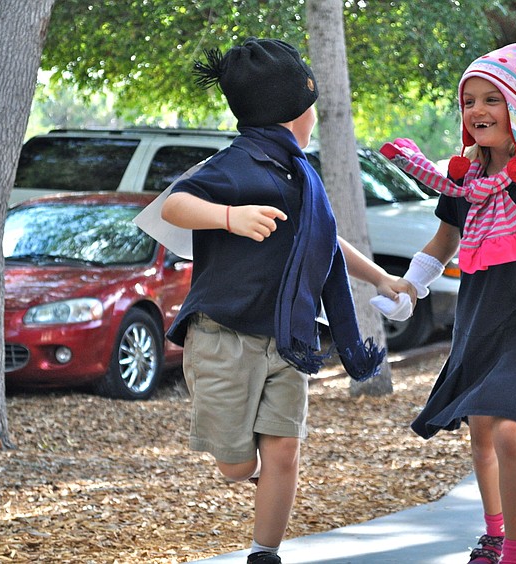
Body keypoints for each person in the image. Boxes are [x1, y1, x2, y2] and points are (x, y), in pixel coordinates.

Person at [160, 38, 415, 564]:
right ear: (295, 111)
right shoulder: (236, 164)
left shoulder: (304, 178)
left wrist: (380, 279)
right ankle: (245, 471)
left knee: (285, 450)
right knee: (235, 465)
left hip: (287, 341)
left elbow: (327, 241)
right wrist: (230, 217)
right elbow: (176, 205)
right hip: (222, 338)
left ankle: (264, 553)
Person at [378, 42, 516, 564]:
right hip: (478, 321)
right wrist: (411, 285)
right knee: (481, 433)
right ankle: (493, 533)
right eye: (469, 101)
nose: (477, 111)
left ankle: (514, 549)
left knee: (512, 428)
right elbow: (444, 240)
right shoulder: (462, 178)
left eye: (490, 99)